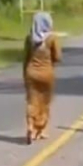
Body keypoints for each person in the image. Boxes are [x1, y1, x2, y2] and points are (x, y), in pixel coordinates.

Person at [23, 12, 62, 144]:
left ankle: (30, 126)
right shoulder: (52, 38)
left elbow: (26, 57)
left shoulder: (29, 39)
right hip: (46, 73)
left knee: (31, 101)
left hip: (31, 73)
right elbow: (57, 57)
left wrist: (25, 74)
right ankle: (40, 130)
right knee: (44, 102)